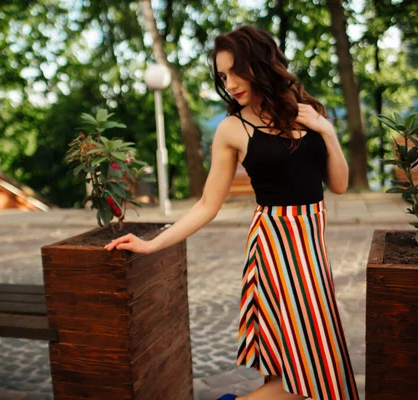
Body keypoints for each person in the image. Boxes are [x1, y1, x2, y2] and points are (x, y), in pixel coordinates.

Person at [105, 25, 359, 400]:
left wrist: (328, 132)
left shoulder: (307, 112)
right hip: (276, 250)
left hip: (312, 252)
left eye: (236, 72)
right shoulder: (232, 129)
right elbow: (208, 205)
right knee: (320, 378)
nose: (230, 83)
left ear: (261, 64)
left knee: (290, 373)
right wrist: (151, 244)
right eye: (223, 76)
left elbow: (338, 185)